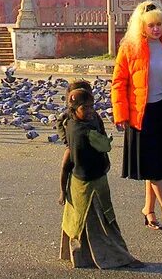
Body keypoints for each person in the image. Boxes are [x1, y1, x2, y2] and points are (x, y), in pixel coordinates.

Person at [111, 0, 162, 230]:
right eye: (151, 26)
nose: (156, 29)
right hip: (140, 113)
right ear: (141, 27)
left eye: (159, 24)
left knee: (154, 165)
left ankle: (148, 209)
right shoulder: (130, 47)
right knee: (154, 166)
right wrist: (121, 114)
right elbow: (118, 82)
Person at [58, 87, 144, 270]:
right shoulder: (86, 131)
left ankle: (82, 258)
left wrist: (63, 190)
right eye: (85, 108)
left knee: (79, 223)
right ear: (75, 109)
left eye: (91, 107)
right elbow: (105, 145)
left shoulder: (71, 124)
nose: (90, 111)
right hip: (91, 184)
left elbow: (67, 161)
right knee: (103, 224)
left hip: (77, 182)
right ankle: (118, 257)